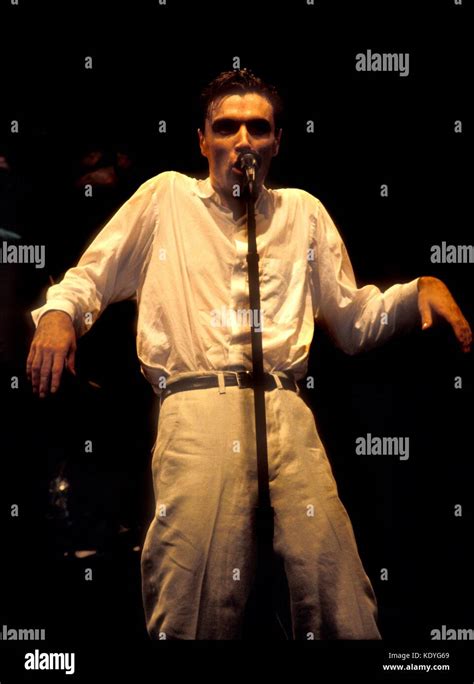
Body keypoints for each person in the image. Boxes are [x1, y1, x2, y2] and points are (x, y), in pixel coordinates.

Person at [26, 68, 471, 640]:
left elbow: (353, 320)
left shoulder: (302, 213)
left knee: (336, 588)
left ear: (276, 142)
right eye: (227, 127)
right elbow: (90, 277)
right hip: (198, 407)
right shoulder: (166, 198)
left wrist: (415, 295)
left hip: (287, 409)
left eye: (257, 128)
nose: (242, 141)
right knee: (195, 593)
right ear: (202, 139)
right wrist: (60, 314)